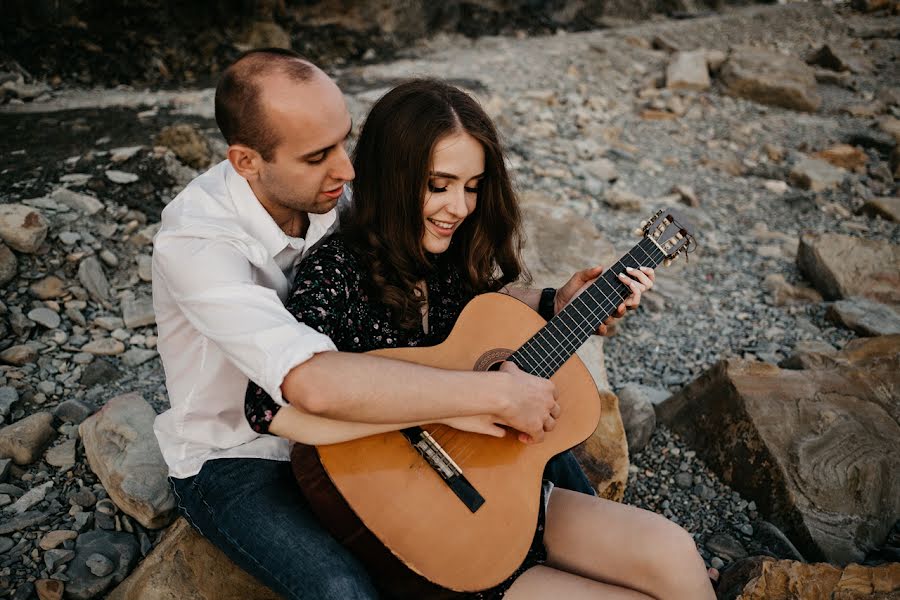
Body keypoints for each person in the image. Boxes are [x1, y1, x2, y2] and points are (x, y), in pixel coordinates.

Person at [152, 49, 652, 599]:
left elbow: (439, 282)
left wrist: (553, 302)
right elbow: (305, 385)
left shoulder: (324, 187)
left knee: (536, 441)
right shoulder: (197, 245)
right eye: (319, 154)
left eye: (344, 140)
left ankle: (625, 564)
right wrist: (483, 395)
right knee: (342, 588)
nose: (345, 170)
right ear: (247, 162)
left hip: (370, 422)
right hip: (242, 453)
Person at [244, 79, 715, 599]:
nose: (459, 207)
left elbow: (484, 321)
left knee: (674, 550)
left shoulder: (449, 256)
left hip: (509, 496)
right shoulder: (338, 269)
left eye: (472, 187)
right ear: (390, 176)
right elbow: (266, 405)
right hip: (430, 530)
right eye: (438, 185)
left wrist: (560, 303)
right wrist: (459, 405)